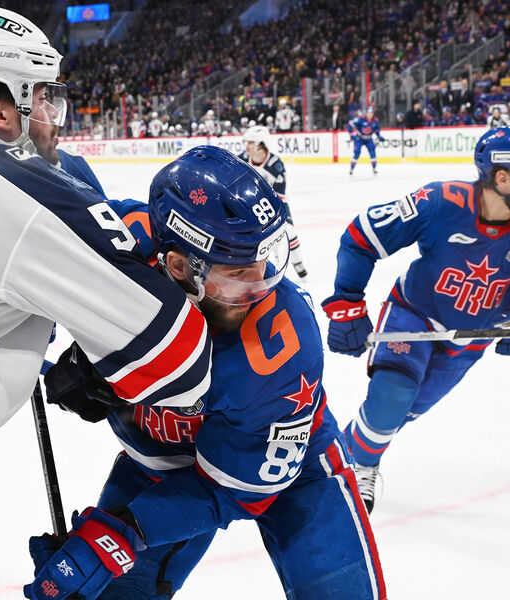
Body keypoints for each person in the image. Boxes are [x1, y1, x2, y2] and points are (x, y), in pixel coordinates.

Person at [0, 6, 212, 599]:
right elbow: (177, 357)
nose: (53, 115)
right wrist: (96, 372)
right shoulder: (19, 189)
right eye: (42, 97)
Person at [31, 145, 387, 600]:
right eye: (239, 274)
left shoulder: (279, 347)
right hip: (158, 460)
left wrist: (125, 529)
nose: (260, 288)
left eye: (264, 264)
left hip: (286, 460)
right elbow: (34, 219)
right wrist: (35, 329)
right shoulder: (117, 247)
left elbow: (234, 490)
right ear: (178, 266)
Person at [321, 127, 510, 514]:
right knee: (392, 396)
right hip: (413, 315)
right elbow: (362, 236)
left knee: (393, 418)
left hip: (470, 340)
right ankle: (354, 468)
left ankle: (344, 455)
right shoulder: (441, 201)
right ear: (502, 176)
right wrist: (347, 303)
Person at [239, 125, 309, 279]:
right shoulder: (242, 160)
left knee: (288, 232)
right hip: (249, 204)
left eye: (250, 143)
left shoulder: (276, 165)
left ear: (260, 144)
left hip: (275, 203)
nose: (247, 146)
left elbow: (279, 196)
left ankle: (297, 262)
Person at [347, 106, 385, 176]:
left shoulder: (375, 121)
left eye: (371, 113)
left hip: (369, 139)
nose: (370, 115)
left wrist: (379, 136)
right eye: (369, 113)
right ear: (366, 113)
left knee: (372, 152)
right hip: (359, 139)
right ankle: (351, 169)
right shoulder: (360, 119)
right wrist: (352, 135)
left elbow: (377, 130)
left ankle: (374, 168)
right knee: (357, 153)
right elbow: (350, 124)